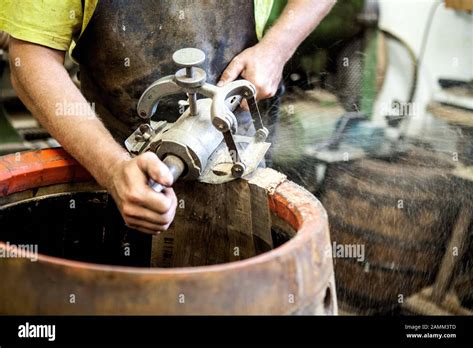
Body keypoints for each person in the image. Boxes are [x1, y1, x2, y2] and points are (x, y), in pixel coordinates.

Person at [0, 0, 335, 235]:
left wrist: (277, 46)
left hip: (236, 142)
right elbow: (31, 58)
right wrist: (114, 169)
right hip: (115, 158)